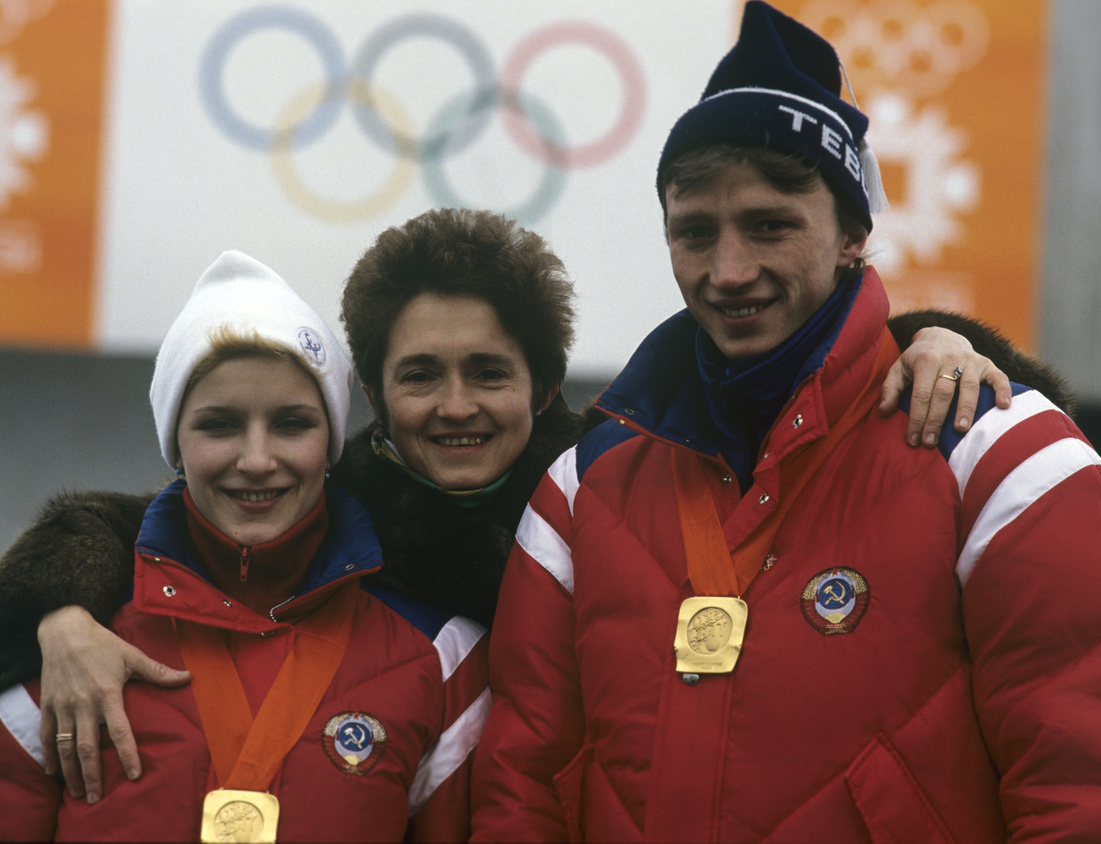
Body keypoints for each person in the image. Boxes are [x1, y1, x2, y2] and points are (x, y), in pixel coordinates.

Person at [1, 208, 1039, 808]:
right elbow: (135, 522)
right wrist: (56, 614)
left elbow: (795, 442)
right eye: (421, 375)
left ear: (545, 385)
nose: (456, 406)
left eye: (488, 371)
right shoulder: (330, 494)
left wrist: (930, 339)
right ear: (373, 392)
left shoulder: (619, 482)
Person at [468, 4, 1101, 842]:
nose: (728, 271)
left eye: (771, 225)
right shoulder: (582, 491)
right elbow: (523, 790)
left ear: (852, 235)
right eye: (695, 233)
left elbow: (1088, 797)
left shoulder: (1004, 461)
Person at [0, 250, 489, 841]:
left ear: (332, 440)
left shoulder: (442, 657)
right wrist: (51, 625)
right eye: (219, 425)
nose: (257, 461)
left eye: (291, 424)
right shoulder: (71, 646)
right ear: (174, 443)